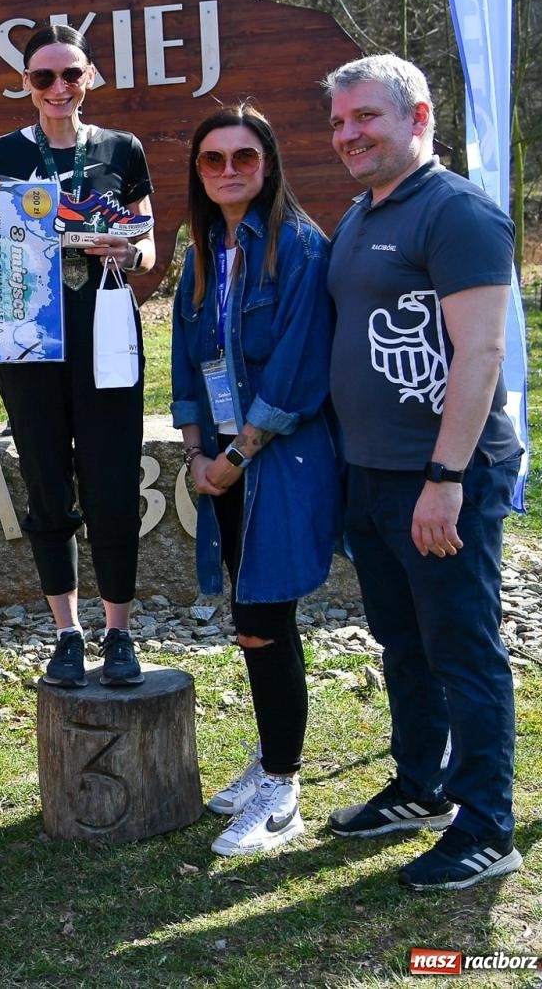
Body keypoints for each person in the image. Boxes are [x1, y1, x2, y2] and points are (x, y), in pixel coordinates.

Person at [323, 54, 522, 890]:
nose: (348, 135)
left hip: (440, 478)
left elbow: (480, 355)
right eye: (338, 122)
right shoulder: (364, 213)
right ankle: (420, 786)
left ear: (419, 116)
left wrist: (445, 477)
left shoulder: (458, 214)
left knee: (462, 649)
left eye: (365, 117)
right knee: (402, 642)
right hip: (371, 476)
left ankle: (486, 825)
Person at [0, 23, 157, 688]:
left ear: (90, 78)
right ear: (25, 85)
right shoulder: (3, 151)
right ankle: (67, 632)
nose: (58, 88)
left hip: (105, 327)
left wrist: (129, 252)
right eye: (43, 77)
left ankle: (120, 633)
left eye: (70, 74)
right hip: (27, 338)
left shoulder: (122, 149)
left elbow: (150, 245)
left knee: (112, 483)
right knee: (46, 482)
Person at [170, 103, 337, 857]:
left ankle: (283, 787)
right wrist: (194, 450)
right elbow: (185, 354)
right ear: (198, 173)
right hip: (225, 468)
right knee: (250, 618)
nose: (229, 170)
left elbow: (300, 373)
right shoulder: (207, 249)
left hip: (281, 464)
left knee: (266, 615)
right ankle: (271, 760)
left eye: (244, 157)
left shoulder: (299, 249)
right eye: (213, 159)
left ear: (268, 164)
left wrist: (231, 458)